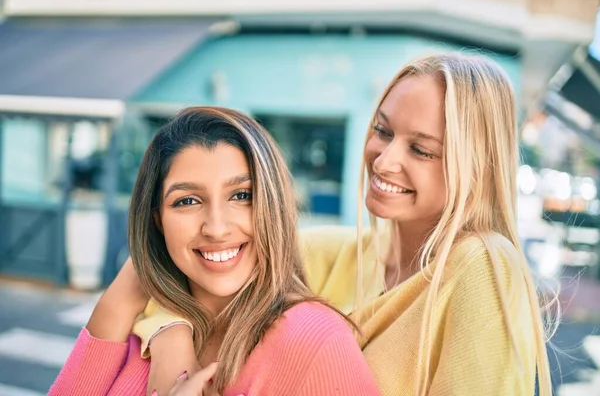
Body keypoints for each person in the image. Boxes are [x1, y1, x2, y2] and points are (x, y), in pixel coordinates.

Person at [138, 53, 558, 396]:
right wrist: (172, 340)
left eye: (422, 150)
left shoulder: (483, 267)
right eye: (382, 131)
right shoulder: (333, 252)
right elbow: (173, 263)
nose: (385, 159)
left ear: (477, 166)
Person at [49, 107, 380, 396]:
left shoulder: (314, 340)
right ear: (158, 219)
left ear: (274, 205)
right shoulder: (139, 324)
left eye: (241, 195)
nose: (217, 228)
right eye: (187, 201)